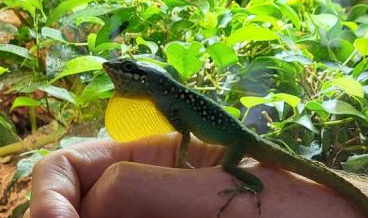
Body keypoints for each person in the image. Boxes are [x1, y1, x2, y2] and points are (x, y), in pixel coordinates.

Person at [24, 133, 364, 218]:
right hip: (240, 142)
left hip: (239, 143)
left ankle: (254, 186)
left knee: (234, 170)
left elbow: (184, 138)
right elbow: (182, 139)